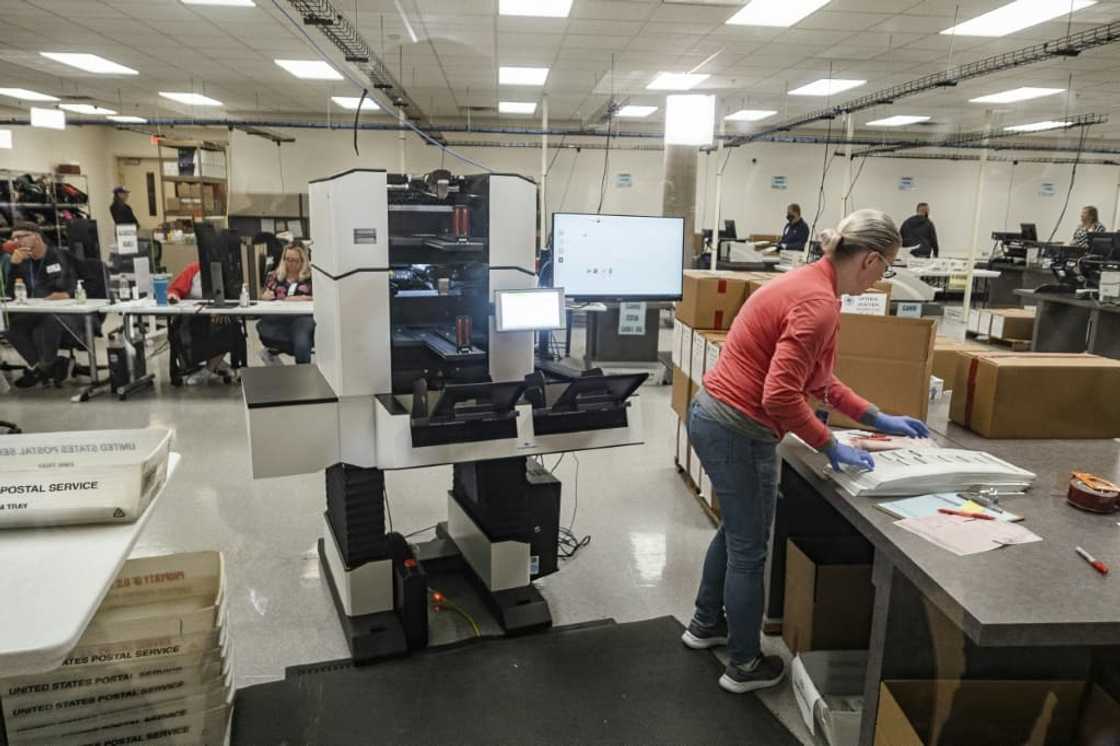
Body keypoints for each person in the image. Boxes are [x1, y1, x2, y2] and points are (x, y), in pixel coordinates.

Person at [680, 209, 930, 694]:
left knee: (737, 531)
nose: (883, 279)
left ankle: (705, 624)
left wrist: (873, 416)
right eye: (886, 269)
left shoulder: (806, 285)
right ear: (871, 260)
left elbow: (816, 379)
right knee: (750, 552)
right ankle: (744, 666)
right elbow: (779, 396)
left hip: (716, 416)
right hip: (737, 428)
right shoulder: (817, 304)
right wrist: (828, 442)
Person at [5, 223, 82, 388]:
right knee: (11, 328)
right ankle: (48, 367)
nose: (16, 241)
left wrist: (65, 294)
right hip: (35, 312)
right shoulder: (22, 261)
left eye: (21, 236)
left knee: (48, 321)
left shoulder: (59, 256)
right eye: (13, 238)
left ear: (36, 236)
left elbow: (71, 285)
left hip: (67, 314)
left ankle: (44, 368)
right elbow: (11, 294)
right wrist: (14, 266)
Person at [167, 261, 239, 384]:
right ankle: (215, 363)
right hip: (193, 316)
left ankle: (208, 370)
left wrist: (222, 310)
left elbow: (234, 297)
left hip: (219, 315)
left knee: (233, 327)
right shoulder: (194, 268)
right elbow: (174, 290)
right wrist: (173, 296)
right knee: (195, 327)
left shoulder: (228, 271)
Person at [257, 243, 314, 365]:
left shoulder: (312, 277)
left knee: (302, 342)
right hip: (278, 317)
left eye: (295, 260)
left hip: (302, 317)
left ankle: (302, 374)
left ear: (303, 261)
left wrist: (302, 298)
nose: (290, 264)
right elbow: (263, 295)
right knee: (264, 329)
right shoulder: (274, 276)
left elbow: (321, 299)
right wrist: (264, 297)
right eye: (287, 259)